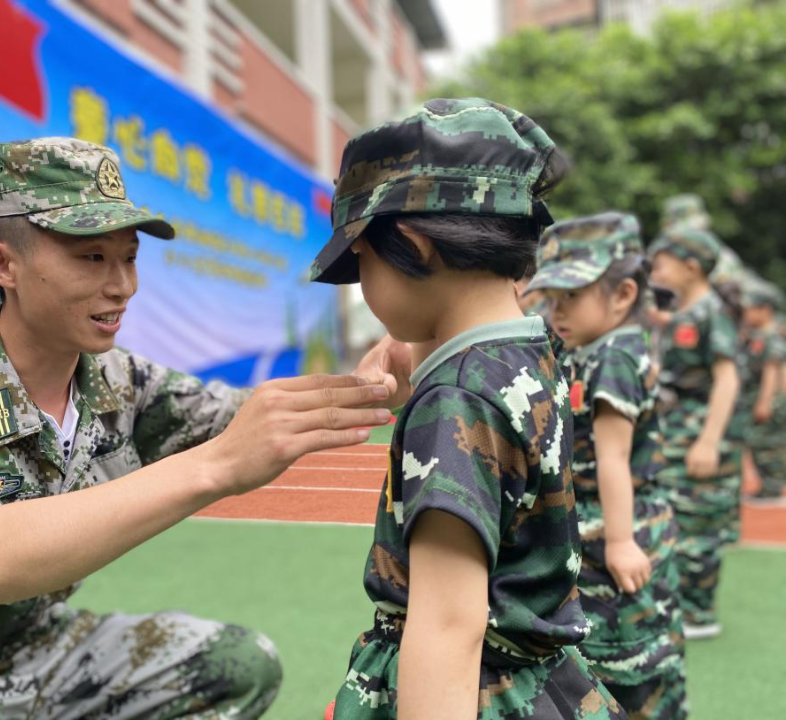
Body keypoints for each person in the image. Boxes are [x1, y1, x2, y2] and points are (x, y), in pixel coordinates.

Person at [0, 138, 406, 718]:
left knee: (235, 665)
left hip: (40, 650)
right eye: (91, 258)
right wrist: (215, 467)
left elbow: (248, 418)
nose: (122, 286)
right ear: (3, 265)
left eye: (129, 258)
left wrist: (373, 385)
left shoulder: (116, 378)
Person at [311, 98, 625, 720]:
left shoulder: (456, 403)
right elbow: (463, 324)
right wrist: (413, 342)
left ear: (413, 246)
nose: (363, 284)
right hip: (541, 683)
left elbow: (449, 626)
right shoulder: (530, 351)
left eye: (362, 259)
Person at [525, 212, 687, 719]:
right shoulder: (593, 344)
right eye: (552, 297)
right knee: (610, 662)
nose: (557, 311)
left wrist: (619, 541)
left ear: (623, 296)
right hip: (599, 522)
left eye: (571, 296)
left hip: (619, 524)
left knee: (630, 663)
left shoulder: (615, 355)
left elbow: (613, 456)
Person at [648, 225, 740, 639]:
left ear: (691, 267)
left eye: (662, 265)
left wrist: (709, 441)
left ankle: (699, 614)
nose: (656, 273)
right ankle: (680, 604)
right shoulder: (686, 311)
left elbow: (727, 379)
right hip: (675, 429)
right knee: (675, 519)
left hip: (698, 430)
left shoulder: (711, 312)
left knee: (698, 524)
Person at [738, 276, 786, 501]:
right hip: (755, 396)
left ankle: (773, 486)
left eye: (750, 309)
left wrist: (765, 401)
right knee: (757, 442)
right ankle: (769, 485)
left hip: (769, 399)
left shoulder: (772, 337)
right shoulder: (757, 335)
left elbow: (772, 370)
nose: (746, 313)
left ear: (765, 310)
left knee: (768, 444)